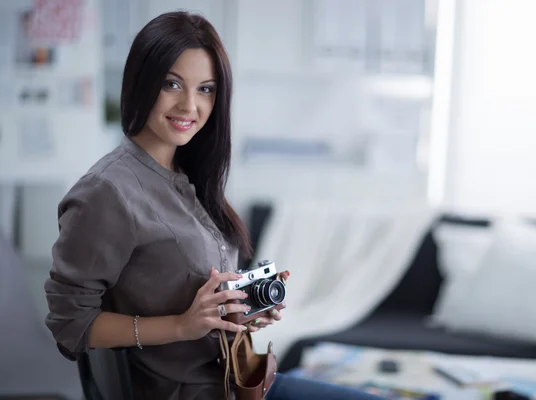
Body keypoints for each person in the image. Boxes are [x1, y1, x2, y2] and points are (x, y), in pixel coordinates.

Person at [44, 11, 386, 400]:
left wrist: (241, 309)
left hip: (238, 381)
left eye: (205, 89)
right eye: (172, 84)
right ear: (141, 81)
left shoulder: (188, 175)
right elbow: (70, 323)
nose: (190, 105)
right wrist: (181, 326)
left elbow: (183, 285)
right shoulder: (107, 191)